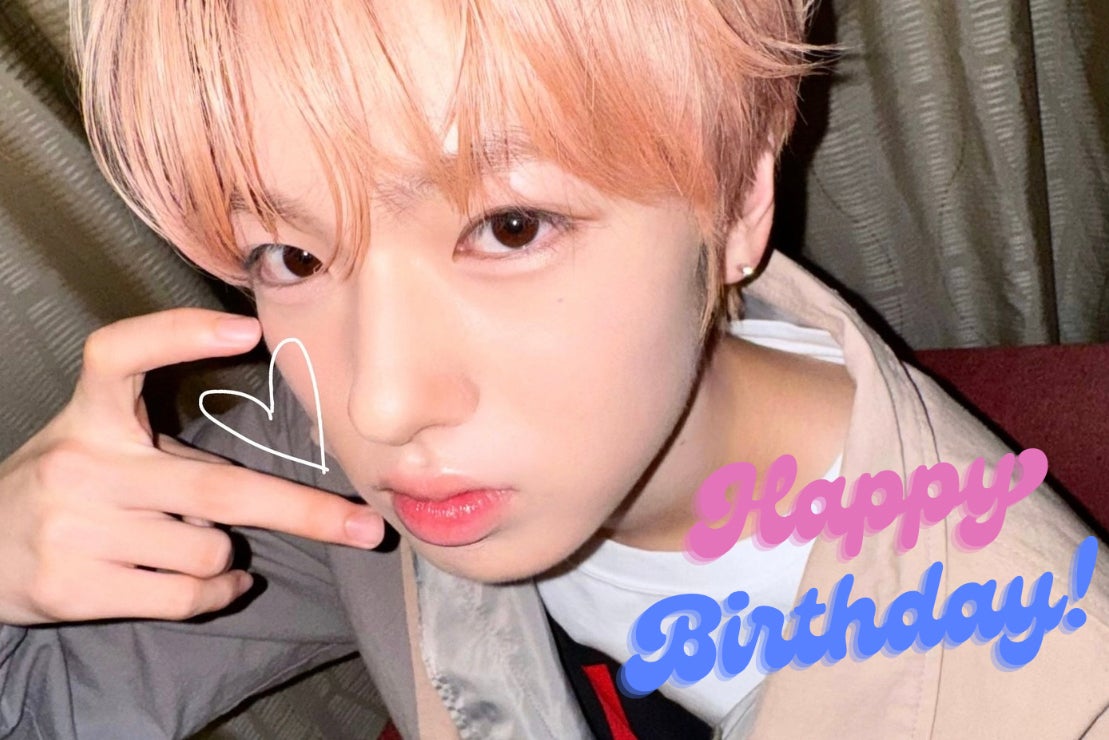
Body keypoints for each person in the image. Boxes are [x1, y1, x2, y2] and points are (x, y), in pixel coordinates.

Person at [2, 0, 1107, 737]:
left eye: (511, 226)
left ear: (738, 199)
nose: (381, 402)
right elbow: (47, 701)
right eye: (291, 255)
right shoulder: (306, 460)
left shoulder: (1051, 693)